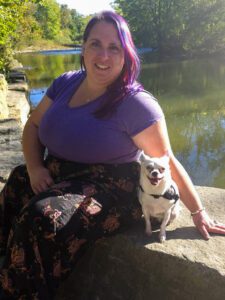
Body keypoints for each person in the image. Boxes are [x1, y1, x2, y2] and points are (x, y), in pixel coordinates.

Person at [0, 10, 225, 300]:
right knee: (18, 182)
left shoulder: (136, 104)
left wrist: (198, 212)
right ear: (83, 47)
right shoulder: (65, 82)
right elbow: (32, 125)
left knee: (43, 217)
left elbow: (166, 159)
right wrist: (33, 166)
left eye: (114, 47)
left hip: (108, 187)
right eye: (95, 44)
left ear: (126, 53)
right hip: (58, 172)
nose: (103, 55)